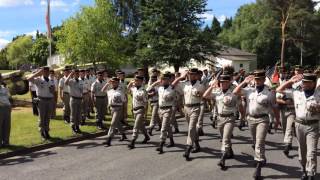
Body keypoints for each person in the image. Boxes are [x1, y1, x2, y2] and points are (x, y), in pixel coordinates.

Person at [233, 70, 280, 180]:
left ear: (264, 80)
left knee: (259, 142)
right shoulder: (249, 90)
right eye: (256, 79)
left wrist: (277, 121)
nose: (257, 81)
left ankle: (258, 166)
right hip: (251, 119)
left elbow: (274, 107)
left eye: (260, 79)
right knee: (256, 142)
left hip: (263, 120)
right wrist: (244, 81)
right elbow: (235, 92)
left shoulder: (269, 92)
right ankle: (262, 157)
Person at [277, 73, 320, 180]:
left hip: (313, 125)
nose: (304, 84)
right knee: (302, 151)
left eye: (307, 82)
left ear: (313, 83)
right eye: (304, 82)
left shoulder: (318, 95)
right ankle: (305, 170)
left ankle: (311, 173)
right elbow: (278, 89)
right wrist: (291, 81)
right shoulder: (297, 93)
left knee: (312, 151)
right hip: (299, 125)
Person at [203, 73, 238, 170]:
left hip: (230, 118)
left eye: (225, 82)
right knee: (224, 137)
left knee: (225, 139)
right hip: (220, 118)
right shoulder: (217, 92)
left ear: (229, 83)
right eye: (221, 82)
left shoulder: (233, 93)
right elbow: (205, 96)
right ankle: (230, 151)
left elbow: (235, 101)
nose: (222, 84)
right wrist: (212, 86)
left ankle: (222, 159)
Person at [172, 68, 205, 161]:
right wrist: (180, 77)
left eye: (193, 74)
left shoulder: (200, 85)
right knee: (192, 128)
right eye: (189, 74)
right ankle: (197, 144)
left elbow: (202, 95)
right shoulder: (184, 84)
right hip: (186, 108)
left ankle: (188, 148)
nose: (191, 76)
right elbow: (172, 85)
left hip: (195, 108)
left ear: (197, 75)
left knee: (191, 128)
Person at [147, 73, 176, 154]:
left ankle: (161, 145)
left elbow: (174, 98)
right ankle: (171, 141)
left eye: (166, 79)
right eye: (163, 80)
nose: (164, 81)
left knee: (163, 128)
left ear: (169, 80)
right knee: (167, 127)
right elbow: (148, 89)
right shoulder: (160, 88)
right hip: (160, 110)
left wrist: (171, 98)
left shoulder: (171, 88)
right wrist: (155, 83)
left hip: (168, 109)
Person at [27, 67, 55, 140]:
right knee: (42, 117)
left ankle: (46, 131)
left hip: (49, 100)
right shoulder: (39, 79)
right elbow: (29, 79)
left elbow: (53, 90)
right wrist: (38, 73)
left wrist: (52, 90)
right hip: (41, 100)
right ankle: (42, 132)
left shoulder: (51, 80)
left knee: (47, 117)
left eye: (47, 71)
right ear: (42, 72)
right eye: (44, 71)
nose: (46, 72)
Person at [102, 77, 127, 146]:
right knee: (117, 123)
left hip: (118, 108)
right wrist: (108, 83)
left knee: (113, 124)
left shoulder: (120, 91)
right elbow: (103, 90)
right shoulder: (110, 90)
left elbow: (124, 102)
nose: (113, 83)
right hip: (111, 108)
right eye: (112, 82)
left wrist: (125, 112)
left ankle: (108, 140)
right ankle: (123, 134)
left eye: (115, 82)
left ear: (118, 83)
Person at [127, 75, 149, 149]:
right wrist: (130, 83)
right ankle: (146, 136)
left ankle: (133, 141)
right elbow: (127, 90)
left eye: (137, 81)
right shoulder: (134, 89)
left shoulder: (143, 91)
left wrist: (145, 113)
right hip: (134, 109)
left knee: (136, 125)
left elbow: (146, 103)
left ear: (141, 82)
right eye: (135, 80)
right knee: (141, 125)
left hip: (141, 109)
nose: (135, 82)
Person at [65, 69, 84, 134]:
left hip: (79, 99)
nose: (77, 74)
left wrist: (82, 97)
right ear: (73, 74)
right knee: (73, 114)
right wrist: (70, 74)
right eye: (75, 73)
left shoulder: (81, 81)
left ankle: (77, 126)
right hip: (73, 99)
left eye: (78, 73)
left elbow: (81, 90)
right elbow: (65, 82)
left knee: (78, 114)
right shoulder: (71, 81)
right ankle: (73, 127)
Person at [0, 73, 11, 147]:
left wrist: (10, 106)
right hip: (0, 108)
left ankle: (6, 142)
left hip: (7, 107)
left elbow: (9, 97)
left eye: (0, 78)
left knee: (7, 126)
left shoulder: (5, 87)